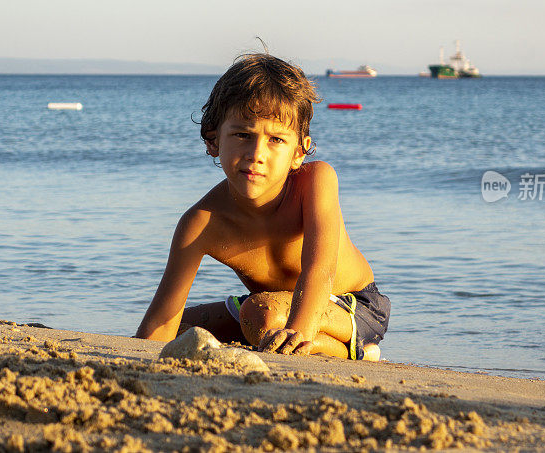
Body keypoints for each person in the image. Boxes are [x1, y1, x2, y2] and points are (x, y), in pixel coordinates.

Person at [135, 54, 390, 360]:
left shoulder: (315, 181)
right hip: (275, 306)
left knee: (260, 313)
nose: (256, 153)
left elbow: (319, 270)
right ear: (213, 140)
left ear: (299, 152)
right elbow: (159, 326)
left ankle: (345, 349)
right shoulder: (200, 222)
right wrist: (143, 354)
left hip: (353, 305)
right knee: (186, 328)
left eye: (276, 140)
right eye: (242, 135)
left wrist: (300, 334)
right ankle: (275, 337)